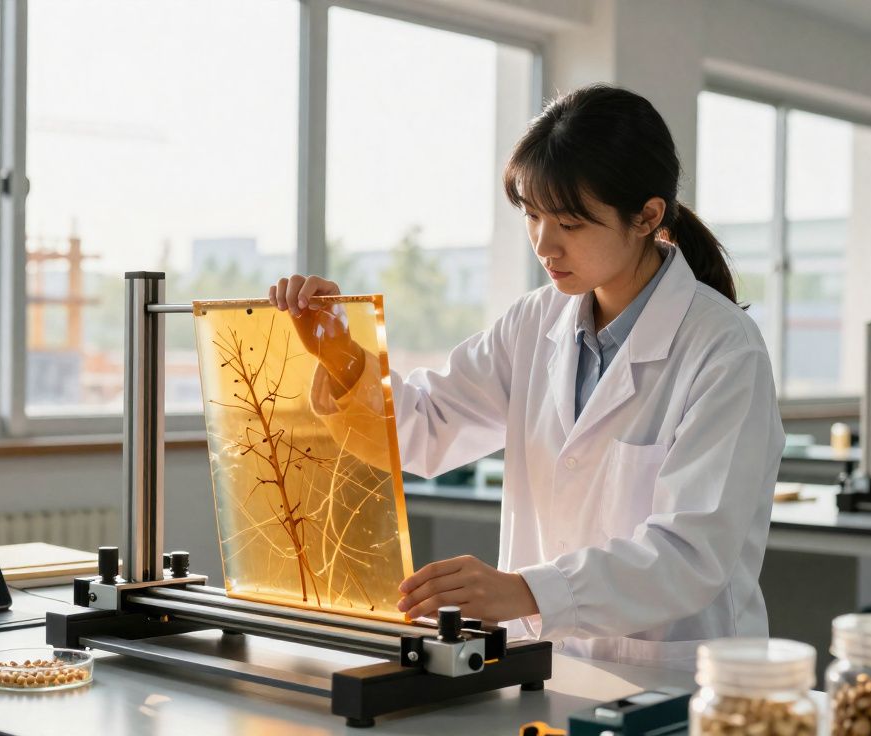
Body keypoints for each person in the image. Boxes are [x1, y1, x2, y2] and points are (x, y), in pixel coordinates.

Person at [268, 84, 783, 670]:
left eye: (569, 223)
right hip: (542, 665)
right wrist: (341, 353)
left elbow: (690, 554)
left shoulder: (724, 349)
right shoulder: (534, 322)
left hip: (675, 677)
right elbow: (427, 427)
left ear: (647, 216)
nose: (544, 244)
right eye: (533, 216)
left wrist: (526, 592)